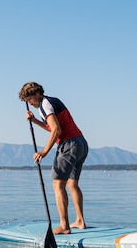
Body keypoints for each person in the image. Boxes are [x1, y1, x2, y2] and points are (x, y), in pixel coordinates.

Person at [19, 82, 88, 234]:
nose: (30, 103)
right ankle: (80, 221)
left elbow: (56, 130)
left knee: (58, 186)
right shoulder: (52, 101)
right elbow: (54, 127)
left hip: (69, 145)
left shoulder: (45, 105)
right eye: (27, 101)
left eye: (30, 99)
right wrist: (35, 121)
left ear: (37, 93)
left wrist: (43, 152)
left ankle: (64, 226)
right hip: (81, 143)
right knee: (71, 184)